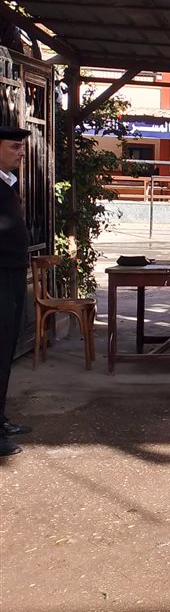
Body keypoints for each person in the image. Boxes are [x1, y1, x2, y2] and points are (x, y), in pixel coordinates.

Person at [0, 122, 33, 457]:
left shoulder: (7, 183)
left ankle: (1, 420)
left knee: (6, 349)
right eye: (14, 147)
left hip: (12, 275)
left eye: (21, 147)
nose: (21, 153)